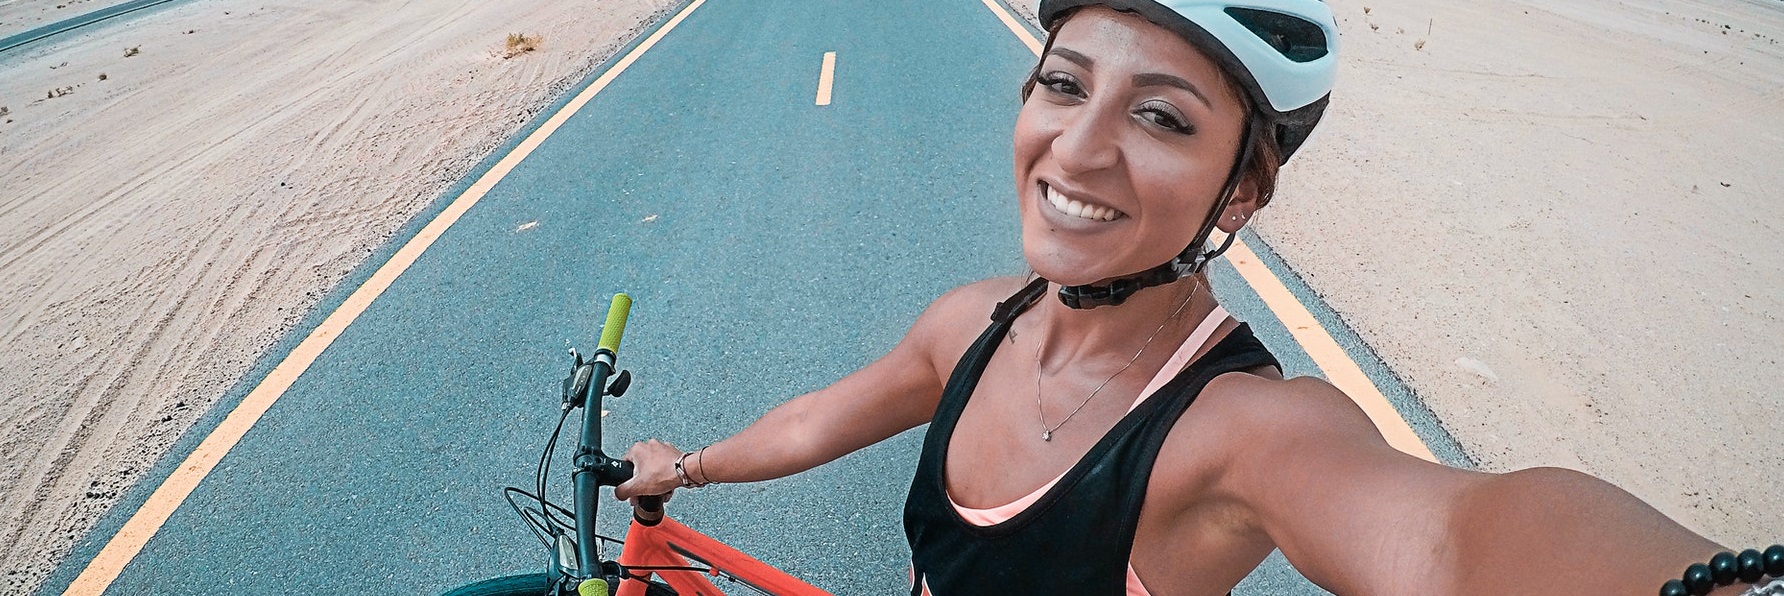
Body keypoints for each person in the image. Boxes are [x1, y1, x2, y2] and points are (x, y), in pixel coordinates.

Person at [615, 0, 1779, 593]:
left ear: (1243, 186)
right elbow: (822, 415)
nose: (1075, 149)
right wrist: (690, 465)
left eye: (1161, 115)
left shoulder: (1238, 432)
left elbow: (1448, 538)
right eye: (1061, 83)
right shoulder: (970, 322)